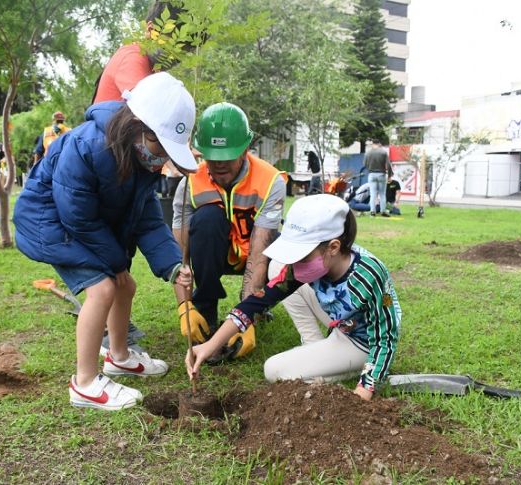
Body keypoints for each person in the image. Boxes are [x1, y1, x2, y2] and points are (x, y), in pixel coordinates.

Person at [13, 72, 197, 411]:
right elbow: (76, 215)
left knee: (125, 285)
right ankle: (84, 383)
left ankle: (120, 356)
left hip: (83, 225)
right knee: (104, 289)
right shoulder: (88, 146)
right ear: (137, 126)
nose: (162, 159)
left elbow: (147, 219)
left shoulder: (142, 162)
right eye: (160, 146)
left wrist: (172, 264)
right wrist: (114, 262)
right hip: (50, 222)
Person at [186, 194, 401, 401]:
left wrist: (365, 388)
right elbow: (257, 302)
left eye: (302, 255)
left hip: (362, 341)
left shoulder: (369, 276)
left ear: (334, 247)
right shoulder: (314, 263)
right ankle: (314, 345)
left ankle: (348, 365)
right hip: (339, 322)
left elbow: (385, 338)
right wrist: (211, 345)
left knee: (275, 370)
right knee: (278, 268)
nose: (295, 262)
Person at [172, 102, 287, 362]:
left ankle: (259, 306)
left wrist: (246, 318)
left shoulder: (270, 181)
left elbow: (260, 254)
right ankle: (205, 312)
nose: (218, 164)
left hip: (254, 255)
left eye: (226, 157)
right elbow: (179, 256)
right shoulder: (190, 182)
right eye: (211, 156)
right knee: (207, 219)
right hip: (214, 254)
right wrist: (184, 306)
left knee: (280, 254)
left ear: (245, 149)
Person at [363, 139, 393, 217]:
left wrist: (370, 169)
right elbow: (388, 165)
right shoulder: (383, 152)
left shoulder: (368, 153)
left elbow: (365, 164)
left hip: (372, 174)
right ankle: (383, 211)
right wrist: (389, 175)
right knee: (382, 194)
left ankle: (372, 211)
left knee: (373, 194)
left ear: (372, 144)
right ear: (379, 144)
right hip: (381, 174)